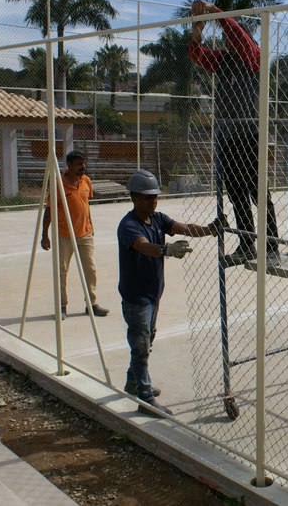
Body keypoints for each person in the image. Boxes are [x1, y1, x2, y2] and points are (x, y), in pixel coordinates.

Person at [118, 170, 221, 417]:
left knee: (146, 339)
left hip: (153, 294)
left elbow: (183, 227)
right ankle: (144, 398)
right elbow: (143, 247)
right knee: (141, 345)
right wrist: (167, 250)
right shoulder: (128, 225)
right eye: (147, 198)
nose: (153, 202)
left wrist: (209, 229)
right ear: (134, 198)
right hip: (136, 297)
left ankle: (133, 381)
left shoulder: (157, 218)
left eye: (155, 197)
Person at [189, 0, 280, 266]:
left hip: (251, 133)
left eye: (232, 39)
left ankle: (271, 244)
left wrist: (215, 12)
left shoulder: (254, 55)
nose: (228, 43)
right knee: (236, 191)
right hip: (229, 135)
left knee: (257, 191)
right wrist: (198, 29)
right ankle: (247, 242)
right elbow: (197, 54)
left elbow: (237, 35)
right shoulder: (224, 60)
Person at [41, 151, 108, 320]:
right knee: (62, 271)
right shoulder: (59, 185)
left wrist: (91, 225)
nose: (82, 167)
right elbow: (49, 210)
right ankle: (62, 306)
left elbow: (85, 205)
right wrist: (44, 235)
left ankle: (91, 304)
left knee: (90, 269)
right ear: (69, 166)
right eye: (79, 164)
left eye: (83, 163)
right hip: (65, 235)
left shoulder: (86, 181)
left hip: (85, 234)